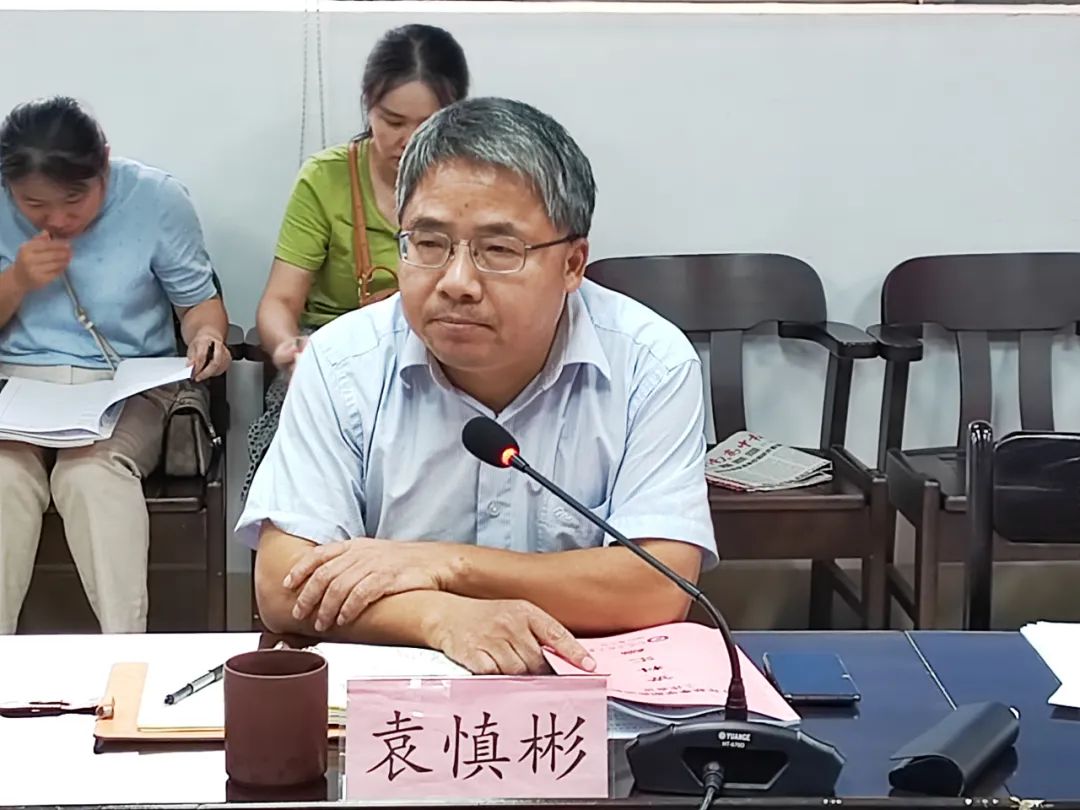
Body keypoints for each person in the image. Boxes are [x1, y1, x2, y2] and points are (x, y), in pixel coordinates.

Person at [238, 97, 717, 675]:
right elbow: (283, 585)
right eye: (429, 244)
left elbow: (658, 585)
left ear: (572, 264)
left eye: (498, 250)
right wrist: (439, 617)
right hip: (401, 697)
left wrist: (444, 565)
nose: (457, 282)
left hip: (581, 699)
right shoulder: (343, 360)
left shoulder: (650, 363)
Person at [0, 96, 231, 634]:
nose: (58, 220)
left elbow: (199, 304)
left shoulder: (156, 198)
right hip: (19, 386)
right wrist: (16, 281)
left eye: (74, 199)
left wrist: (207, 337)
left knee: (91, 474)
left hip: (125, 384)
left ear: (103, 162)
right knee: (5, 479)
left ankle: (125, 652)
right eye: (33, 204)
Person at [244, 24, 469, 499]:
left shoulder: (473, 184)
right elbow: (279, 302)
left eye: (426, 124)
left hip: (440, 359)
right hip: (336, 359)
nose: (407, 140)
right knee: (295, 477)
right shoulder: (325, 179)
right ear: (368, 104)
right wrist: (290, 348)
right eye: (392, 121)